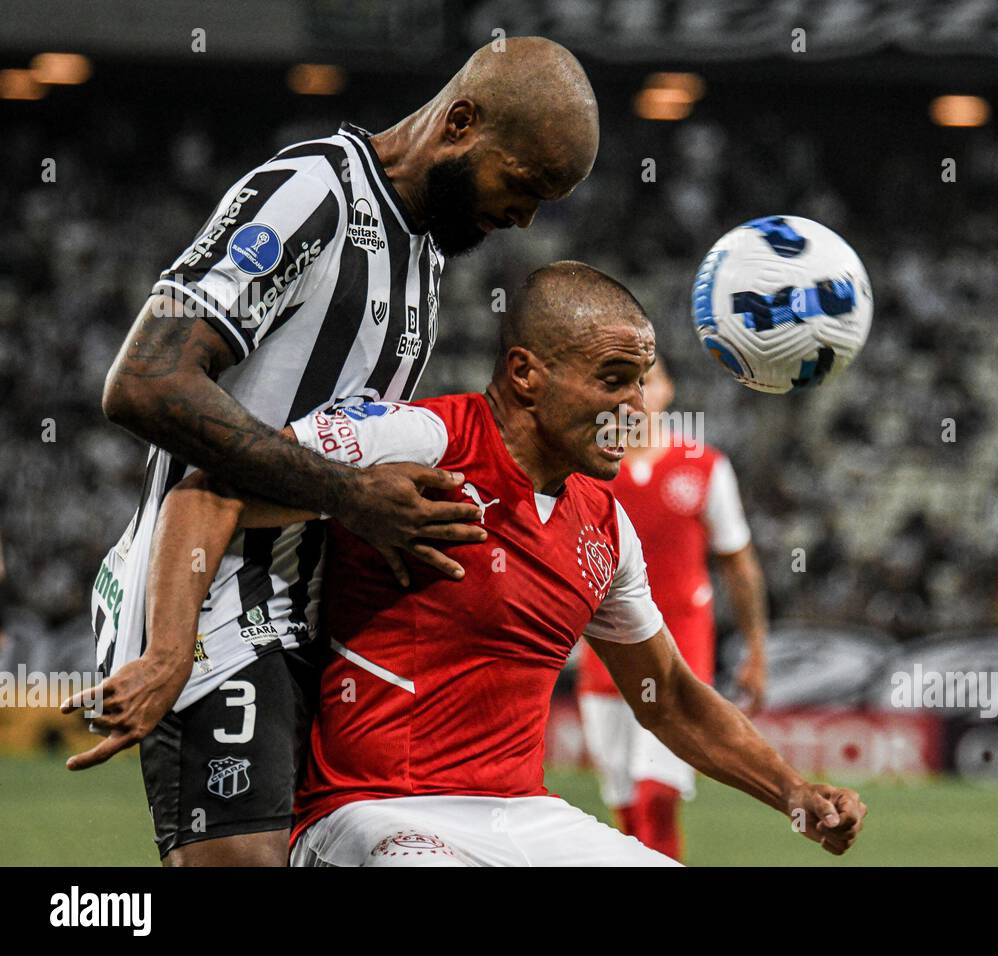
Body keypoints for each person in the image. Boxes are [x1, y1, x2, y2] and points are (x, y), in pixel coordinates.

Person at [65, 38, 601, 867]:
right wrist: (352, 496)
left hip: (307, 616)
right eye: (523, 184)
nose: (525, 218)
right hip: (210, 600)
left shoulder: (420, 253)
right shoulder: (310, 192)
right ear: (460, 123)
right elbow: (144, 380)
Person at [141, 262, 866, 866]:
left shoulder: (605, 526)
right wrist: (168, 651)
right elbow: (213, 490)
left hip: (522, 816)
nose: (636, 408)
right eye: (614, 380)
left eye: (642, 383)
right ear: (526, 374)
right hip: (374, 814)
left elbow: (667, 694)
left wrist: (793, 792)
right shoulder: (421, 440)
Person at [576, 358, 767, 860]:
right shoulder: (588, 471)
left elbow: (739, 565)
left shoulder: (705, 466)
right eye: (621, 383)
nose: (636, 394)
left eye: (648, 380)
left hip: (681, 656)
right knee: (627, 808)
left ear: (668, 390)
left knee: (657, 795)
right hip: (607, 657)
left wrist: (756, 650)